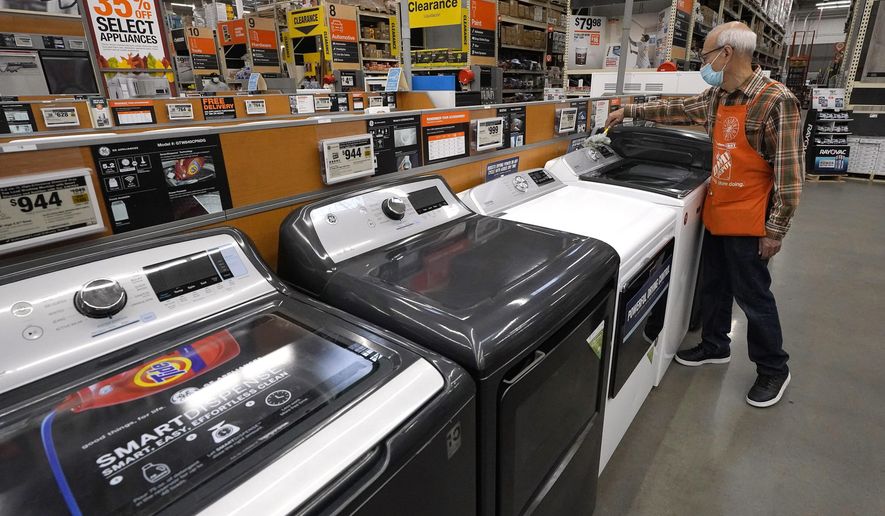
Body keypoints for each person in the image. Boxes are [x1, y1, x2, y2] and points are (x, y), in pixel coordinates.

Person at [606, 22, 804, 408]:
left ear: (726, 54)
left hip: (750, 219)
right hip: (719, 210)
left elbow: (790, 177)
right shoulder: (719, 96)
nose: (703, 62)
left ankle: (773, 369)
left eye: (706, 54)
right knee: (714, 286)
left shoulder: (776, 100)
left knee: (753, 296)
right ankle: (715, 345)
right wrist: (629, 109)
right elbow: (677, 109)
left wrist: (775, 230)